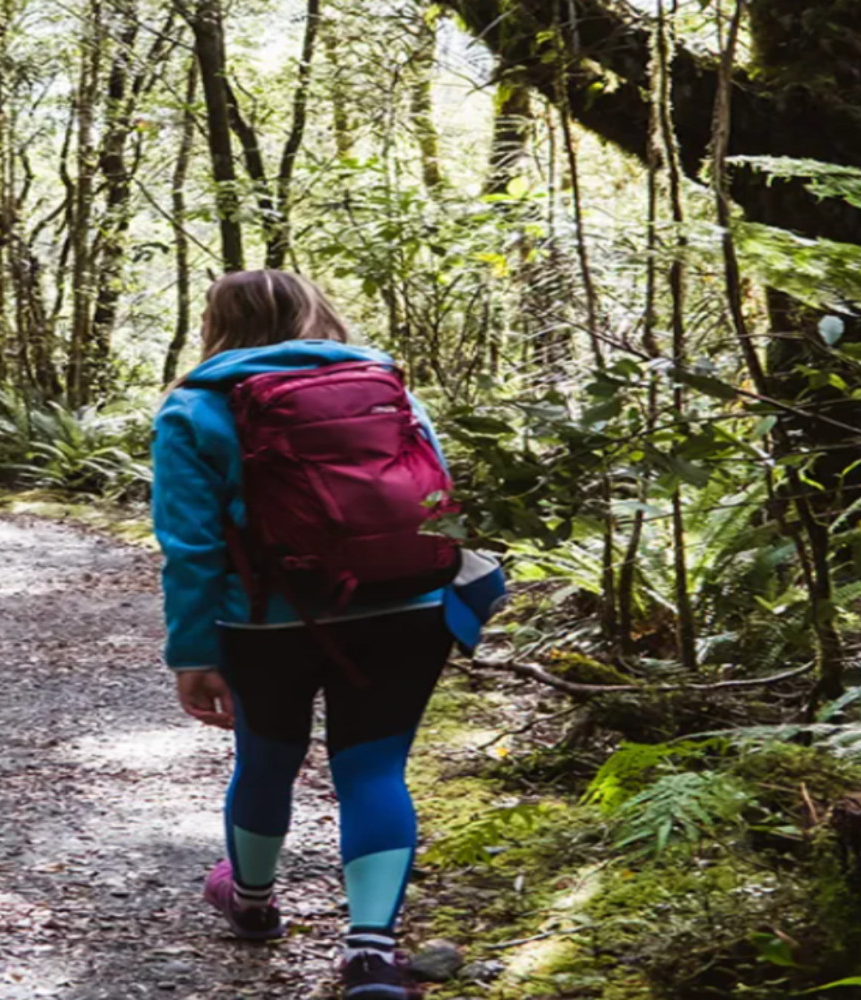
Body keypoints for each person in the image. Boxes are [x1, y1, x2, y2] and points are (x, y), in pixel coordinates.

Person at [151, 270, 502, 1000]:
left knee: (266, 760)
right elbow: (436, 499)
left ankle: (250, 905)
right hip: (407, 607)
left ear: (216, 323)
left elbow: (191, 548)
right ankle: (371, 955)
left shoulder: (193, 405)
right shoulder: (386, 383)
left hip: (264, 623)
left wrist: (192, 654)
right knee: (374, 770)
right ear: (316, 311)